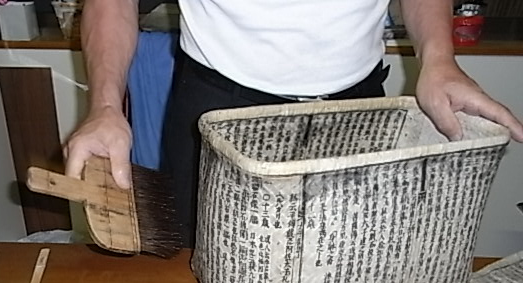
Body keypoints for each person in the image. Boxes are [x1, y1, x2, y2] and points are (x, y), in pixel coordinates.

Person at [65, 0, 523, 248]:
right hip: (217, 106)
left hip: (355, 110)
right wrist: (105, 105)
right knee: (203, 268)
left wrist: (440, 59)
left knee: (351, 264)